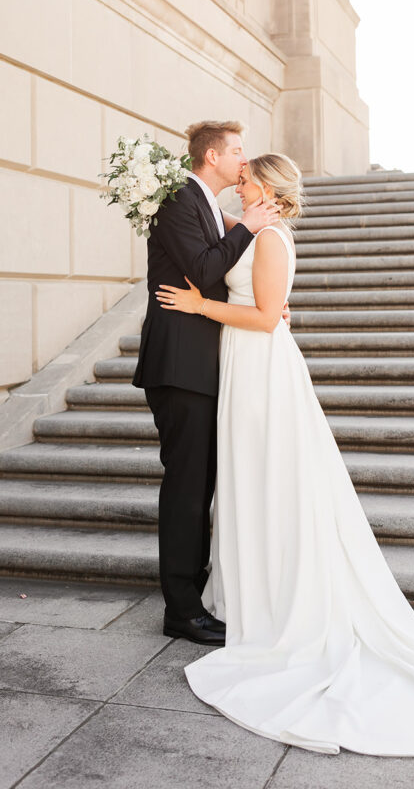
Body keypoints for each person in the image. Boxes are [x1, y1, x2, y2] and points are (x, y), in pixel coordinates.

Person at [154, 152, 414, 757]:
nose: (240, 184)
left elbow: (263, 318)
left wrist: (201, 306)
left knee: (271, 480)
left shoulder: (274, 239)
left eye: (248, 180)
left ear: (271, 191)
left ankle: (283, 598)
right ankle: (253, 587)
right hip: (242, 366)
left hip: (261, 370)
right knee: (251, 481)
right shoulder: (258, 235)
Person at [133, 120, 281, 647]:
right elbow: (201, 268)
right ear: (213, 155)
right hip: (179, 365)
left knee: (202, 487)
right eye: (237, 151)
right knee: (187, 488)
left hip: (206, 365)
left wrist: (265, 296)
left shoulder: (208, 206)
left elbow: (223, 272)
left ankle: (195, 597)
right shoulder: (177, 199)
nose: (245, 159)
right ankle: (182, 609)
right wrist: (247, 227)